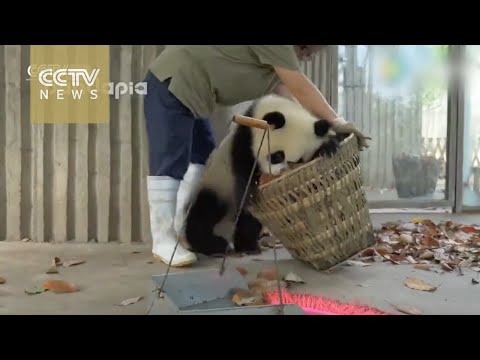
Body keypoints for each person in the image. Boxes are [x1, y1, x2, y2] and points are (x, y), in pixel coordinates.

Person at [143, 45, 370, 267]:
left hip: (194, 96)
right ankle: (163, 240)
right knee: (170, 161)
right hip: (173, 82)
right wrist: (336, 121)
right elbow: (301, 88)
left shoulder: (274, 65)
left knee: (200, 159)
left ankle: (181, 230)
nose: (311, 55)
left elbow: (293, 101)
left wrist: (320, 132)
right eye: (311, 50)